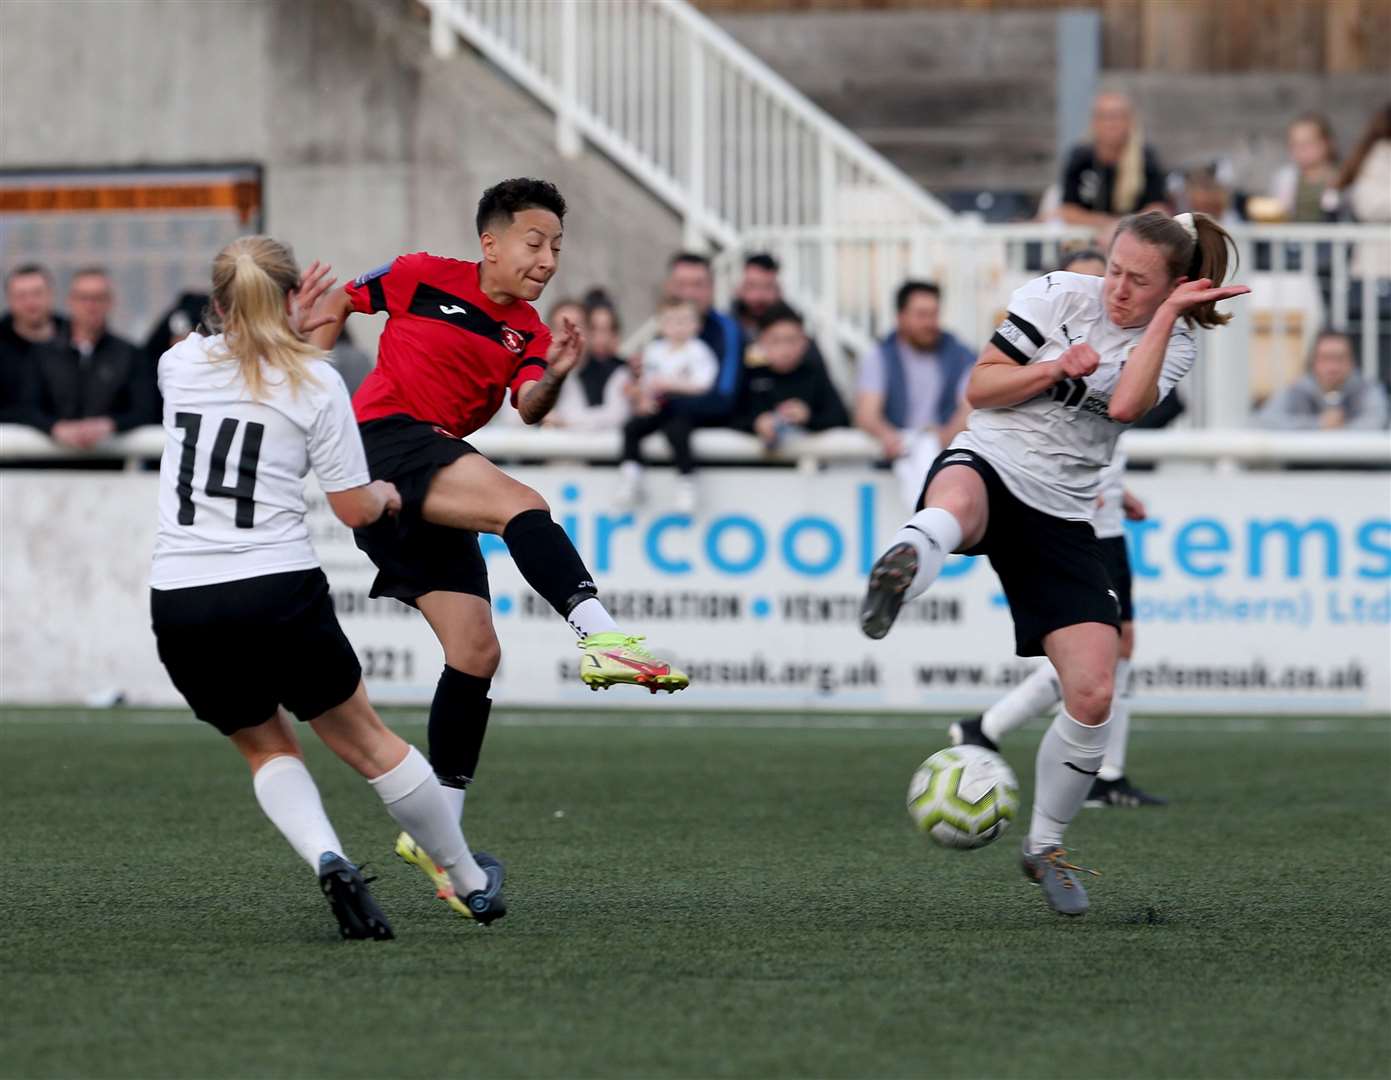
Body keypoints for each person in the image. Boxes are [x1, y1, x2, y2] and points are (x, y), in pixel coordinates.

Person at [860, 210, 1248, 916]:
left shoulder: (1176, 341)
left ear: (1172, 289)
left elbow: (1126, 404)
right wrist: (1049, 369)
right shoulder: (1056, 292)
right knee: (957, 500)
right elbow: (979, 389)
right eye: (1113, 268)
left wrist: (1160, 322)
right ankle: (902, 562)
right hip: (994, 458)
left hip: (1065, 511)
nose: (1116, 289)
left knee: (1094, 690)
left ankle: (1043, 847)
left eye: (1137, 281)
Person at [305, 179, 689, 891]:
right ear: (491, 242)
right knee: (522, 503)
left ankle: (439, 843)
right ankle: (602, 636)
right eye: (534, 242)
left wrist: (558, 375)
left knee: (476, 651)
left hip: (429, 471)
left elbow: (530, 405)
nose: (547, 259)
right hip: (383, 443)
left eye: (557, 248)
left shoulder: (533, 333)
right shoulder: (420, 273)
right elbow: (336, 301)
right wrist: (311, 383)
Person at [150, 235, 505, 939]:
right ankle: (467, 879)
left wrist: (282, 326)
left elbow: (236, 353)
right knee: (369, 744)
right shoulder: (315, 381)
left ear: (218, 302)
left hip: (181, 595)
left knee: (265, 747)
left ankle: (328, 858)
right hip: (273, 585)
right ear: (289, 299)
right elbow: (352, 507)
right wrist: (386, 496)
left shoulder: (177, 364)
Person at [949, 248, 1167, 807]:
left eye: (1122, 278)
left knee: (1118, 647)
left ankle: (1091, 766)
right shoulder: (1053, 337)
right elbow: (1035, 428)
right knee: (1104, 649)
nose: (1110, 291)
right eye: (1101, 277)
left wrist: (1122, 491)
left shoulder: (1134, 345)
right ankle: (1000, 731)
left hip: (1106, 512)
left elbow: (1105, 434)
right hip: (1072, 517)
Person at [853, 280, 975, 509]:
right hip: (897, 459)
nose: (930, 322)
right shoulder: (879, 356)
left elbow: (970, 404)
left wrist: (946, 437)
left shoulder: (960, 354)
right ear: (900, 317)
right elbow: (866, 413)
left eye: (934, 314)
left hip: (944, 455)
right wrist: (888, 436)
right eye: (921, 314)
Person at [34, 268, 157, 448]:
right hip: (47, 466)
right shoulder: (41, 354)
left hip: (109, 468)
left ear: (110, 302)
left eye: (98, 298)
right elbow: (24, 407)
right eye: (83, 298)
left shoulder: (130, 355)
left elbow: (145, 409)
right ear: (70, 301)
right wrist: (54, 427)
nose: (91, 306)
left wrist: (110, 424)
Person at [617, 298, 719, 511]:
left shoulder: (698, 350)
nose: (678, 327)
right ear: (662, 325)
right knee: (631, 428)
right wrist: (642, 398)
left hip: (684, 407)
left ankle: (686, 481)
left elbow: (704, 383)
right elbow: (646, 381)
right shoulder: (654, 350)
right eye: (672, 321)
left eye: (684, 320)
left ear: (696, 325)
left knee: (677, 433)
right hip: (657, 406)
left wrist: (672, 384)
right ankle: (631, 474)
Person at [735, 302, 849, 449]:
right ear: (761, 342)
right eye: (775, 341)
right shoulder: (750, 374)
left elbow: (840, 418)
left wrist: (808, 417)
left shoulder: (814, 374)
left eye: (791, 340)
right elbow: (730, 417)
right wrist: (756, 423)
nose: (785, 349)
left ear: (804, 342)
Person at [1059, 92, 1168, 241]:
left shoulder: (1145, 158)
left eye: (1116, 116)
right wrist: (1106, 224)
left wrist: (1123, 228)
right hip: (1086, 239)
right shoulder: (1081, 157)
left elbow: (1157, 208)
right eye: (1104, 116)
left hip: (1134, 240)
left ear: (1129, 121)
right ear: (1094, 122)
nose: (1110, 123)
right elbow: (1068, 210)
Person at [662, 252, 745, 426]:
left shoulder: (729, 331)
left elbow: (724, 399)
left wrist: (666, 405)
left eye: (698, 285)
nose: (689, 293)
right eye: (681, 284)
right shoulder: (661, 334)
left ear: (711, 289)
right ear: (669, 287)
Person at [1256, 329, 1388, 430]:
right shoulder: (1297, 390)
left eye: (1340, 358)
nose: (1333, 367)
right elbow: (1265, 421)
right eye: (1325, 358)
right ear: (1313, 362)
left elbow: (1378, 422)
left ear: (1352, 362)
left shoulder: (1367, 389)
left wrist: (1339, 430)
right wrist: (1318, 424)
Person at [543, 292, 631, 431]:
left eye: (576, 327)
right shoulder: (533, 372)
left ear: (590, 333)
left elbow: (617, 416)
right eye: (561, 328)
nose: (568, 336)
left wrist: (563, 419)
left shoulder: (616, 373)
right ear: (549, 334)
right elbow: (513, 418)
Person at [0, 264, 65, 428]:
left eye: (37, 293)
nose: (30, 302)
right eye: (21, 296)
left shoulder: (77, 340)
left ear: (51, 294)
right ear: (9, 299)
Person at [1270, 113, 1340, 223]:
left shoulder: (1339, 177)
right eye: (1294, 144)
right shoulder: (1285, 178)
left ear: (1326, 144)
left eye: (1307, 143)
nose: (1301, 150)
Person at [731, 253, 783, 341]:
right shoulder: (722, 329)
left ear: (779, 290)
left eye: (768, 287)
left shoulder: (792, 328)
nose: (759, 296)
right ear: (738, 289)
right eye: (752, 286)